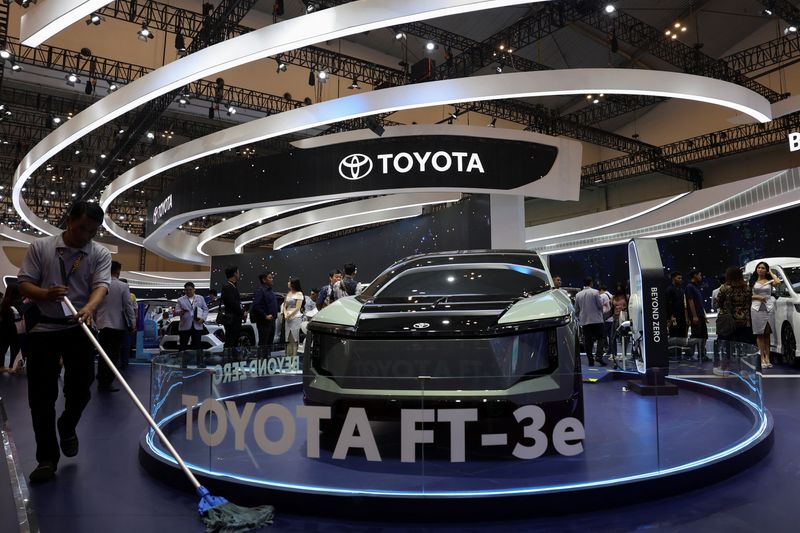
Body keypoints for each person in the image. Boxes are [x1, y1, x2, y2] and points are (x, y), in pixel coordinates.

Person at [17, 201, 112, 484]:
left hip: (78, 326)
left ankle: (67, 424)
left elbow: (101, 287)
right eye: (82, 228)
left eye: (92, 231)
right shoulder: (41, 248)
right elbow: (23, 283)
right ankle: (47, 458)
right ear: (69, 221)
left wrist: (89, 309)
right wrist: (45, 294)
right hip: (43, 330)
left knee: (82, 387)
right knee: (41, 397)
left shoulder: (99, 253)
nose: (86, 235)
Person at [94, 261, 136, 392]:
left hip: (101, 324)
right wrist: (132, 323)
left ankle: (101, 380)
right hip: (117, 325)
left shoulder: (99, 285)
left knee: (103, 354)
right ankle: (107, 382)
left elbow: (94, 305)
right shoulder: (123, 286)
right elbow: (128, 306)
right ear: (118, 271)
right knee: (113, 355)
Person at [716, 266, 755, 373]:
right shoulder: (747, 287)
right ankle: (742, 368)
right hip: (743, 320)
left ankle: (726, 367)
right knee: (741, 345)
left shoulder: (724, 288)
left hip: (728, 321)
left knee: (727, 344)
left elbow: (718, 302)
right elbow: (749, 303)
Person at [750, 261, 781, 369]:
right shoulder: (752, 281)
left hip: (769, 308)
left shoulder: (769, 280)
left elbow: (778, 282)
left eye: (763, 268)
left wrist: (771, 272)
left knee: (767, 334)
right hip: (756, 308)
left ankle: (767, 358)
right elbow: (748, 295)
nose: (760, 269)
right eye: (759, 267)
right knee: (759, 334)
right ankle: (762, 357)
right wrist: (757, 297)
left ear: (766, 270)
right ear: (756, 269)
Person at [574, 277, 606, 366]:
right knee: (601, 338)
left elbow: (576, 310)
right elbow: (600, 305)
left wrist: (579, 317)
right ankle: (599, 356)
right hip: (597, 320)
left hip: (585, 321)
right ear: (591, 283)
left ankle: (590, 360)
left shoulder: (578, 295)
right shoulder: (595, 292)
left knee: (588, 341)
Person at [175, 281, 208, 353]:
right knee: (183, 346)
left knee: (197, 346)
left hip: (197, 324)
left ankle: (198, 362)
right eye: (186, 290)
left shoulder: (200, 298)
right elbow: (176, 311)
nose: (188, 291)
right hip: (185, 325)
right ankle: (182, 363)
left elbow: (205, 309)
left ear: (194, 289)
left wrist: (203, 318)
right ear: (184, 290)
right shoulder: (180, 300)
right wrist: (181, 312)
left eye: (190, 289)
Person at [685, 270, 710, 362]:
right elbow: (690, 301)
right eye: (700, 275)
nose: (701, 277)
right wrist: (694, 316)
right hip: (696, 316)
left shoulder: (696, 287)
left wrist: (703, 315)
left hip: (700, 315)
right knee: (696, 335)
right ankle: (689, 354)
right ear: (695, 275)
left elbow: (699, 303)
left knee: (703, 335)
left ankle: (702, 354)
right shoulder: (689, 287)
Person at [0, 284, 24, 372]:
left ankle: (1, 366)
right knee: (15, 350)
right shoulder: (21, 304)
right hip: (16, 330)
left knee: (2, 348)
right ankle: (12, 367)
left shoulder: (4, 303)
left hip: (3, 330)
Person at [251, 272, 278, 349]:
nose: (272, 279)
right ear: (264, 280)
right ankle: (261, 360)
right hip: (264, 323)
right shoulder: (260, 291)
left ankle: (267, 360)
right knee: (263, 345)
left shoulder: (271, 292)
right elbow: (255, 306)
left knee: (269, 345)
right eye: (270, 278)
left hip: (272, 322)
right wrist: (265, 316)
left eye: (272, 277)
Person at [221, 265, 244, 349]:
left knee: (234, 342)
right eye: (238, 272)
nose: (239, 274)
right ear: (235, 274)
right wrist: (242, 312)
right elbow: (233, 303)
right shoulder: (228, 287)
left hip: (235, 319)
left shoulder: (232, 286)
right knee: (230, 342)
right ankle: (228, 360)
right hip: (232, 320)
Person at [282, 279, 304, 358]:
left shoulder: (299, 294)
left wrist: (289, 315)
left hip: (295, 318)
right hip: (287, 318)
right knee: (288, 338)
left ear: (293, 284)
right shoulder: (289, 293)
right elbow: (284, 306)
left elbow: (298, 307)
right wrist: (285, 314)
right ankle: (289, 357)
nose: (288, 283)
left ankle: (294, 359)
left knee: (294, 339)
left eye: (289, 281)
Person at [665, 271, 688, 339]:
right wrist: (671, 316)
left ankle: (681, 350)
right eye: (678, 278)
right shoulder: (669, 290)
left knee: (682, 336)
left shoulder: (681, 290)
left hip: (682, 318)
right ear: (673, 279)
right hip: (674, 318)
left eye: (681, 278)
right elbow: (668, 304)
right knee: (674, 337)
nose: (680, 280)